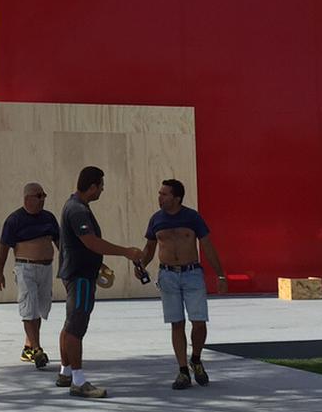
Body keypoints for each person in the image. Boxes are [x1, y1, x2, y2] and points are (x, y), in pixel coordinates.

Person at [56, 166, 144, 398]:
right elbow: (91, 242)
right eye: (101, 186)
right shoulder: (78, 211)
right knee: (77, 327)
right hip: (81, 276)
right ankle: (79, 381)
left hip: (77, 271)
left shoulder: (74, 205)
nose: (102, 191)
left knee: (69, 324)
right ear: (92, 186)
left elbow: (79, 245)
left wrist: (99, 263)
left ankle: (65, 372)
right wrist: (126, 252)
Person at [139, 178, 228, 389]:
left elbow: (207, 245)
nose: (159, 197)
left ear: (176, 198)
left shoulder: (192, 217)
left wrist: (221, 275)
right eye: (160, 193)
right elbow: (150, 248)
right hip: (168, 275)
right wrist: (140, 265)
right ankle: (182, 371)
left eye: (164, 194)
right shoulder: (156, 219)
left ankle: (196, 359)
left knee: (199, 321)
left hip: (191, 274)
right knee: (176, 323)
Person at [0, 182, 60, 368]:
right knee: (29, 306)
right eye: (39, 196)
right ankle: (38, 350)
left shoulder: (49, 218)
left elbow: (60, 243)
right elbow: (3, 249)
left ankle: (28, 346)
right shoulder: (14, 220)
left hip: (46, 268)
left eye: (44, 196)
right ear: (27, 198)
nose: (42, 199)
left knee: (39, 307)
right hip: (26, 269)